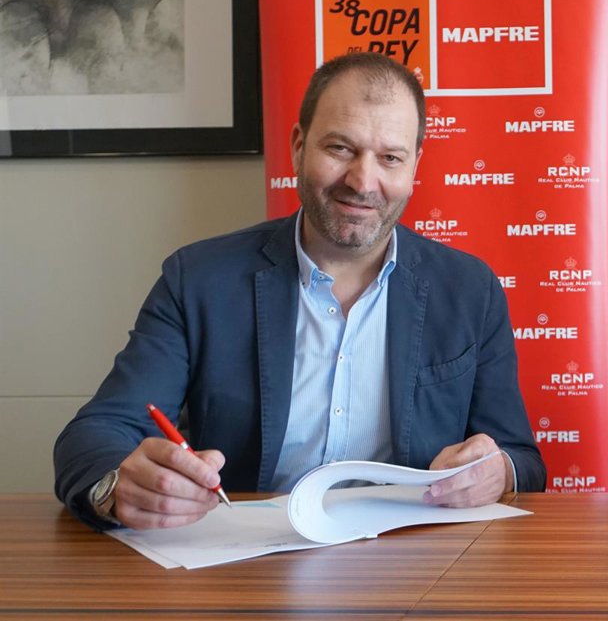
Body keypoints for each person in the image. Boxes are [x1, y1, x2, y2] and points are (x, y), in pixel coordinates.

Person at [55, 52, 545, 530]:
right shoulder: (199, 279)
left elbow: (521, 459)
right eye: (340, 149)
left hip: (415, 560)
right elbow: (98, 433)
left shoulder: (469, 290)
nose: (363, 181)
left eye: (390, 158)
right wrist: (117, 488)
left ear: (414, 165)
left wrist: (499, 472)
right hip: (241, 558)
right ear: (297, 146)